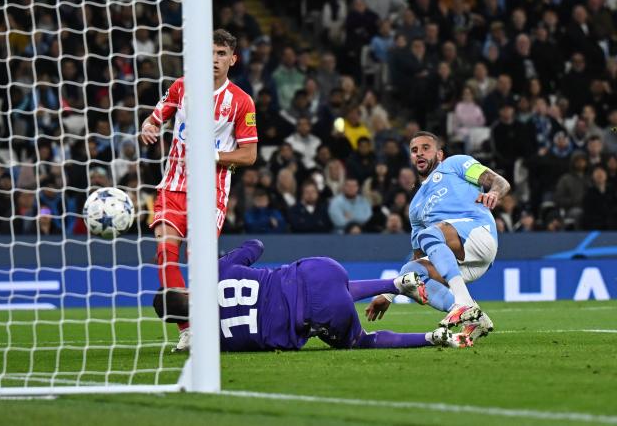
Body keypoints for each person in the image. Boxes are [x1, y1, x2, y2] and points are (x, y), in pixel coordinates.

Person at [140, 29, 258, 351]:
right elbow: (153, 120)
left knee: (198, 262)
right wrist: (148, 128)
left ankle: (208, 319)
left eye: (221, 54)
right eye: (209, 53)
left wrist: (214, 155)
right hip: (173, 185)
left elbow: (249, 155)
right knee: (165, 253)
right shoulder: (182, 86)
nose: (214, 60)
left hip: (211, 192)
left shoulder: (242, 102)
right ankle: (188, 328)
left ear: (232, 59)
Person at [153, 239, 472, 352]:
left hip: (316, 313)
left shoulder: (215, 343)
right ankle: (393, 284)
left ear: (181, 321)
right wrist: (223, 259)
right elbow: (256, 247)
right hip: (317, 269)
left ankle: (433, 338)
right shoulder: (216, 271)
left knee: (363, 341)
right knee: (329, 290)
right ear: (183, 288)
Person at [366, 131, 511, 340]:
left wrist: (494, 193)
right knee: (412, 273)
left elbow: (498, 181)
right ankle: (474, 317)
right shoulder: (415, 206)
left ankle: (462, 303)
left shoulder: (455, 164)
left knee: (431, 233)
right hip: (463, 261)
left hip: (479, 234)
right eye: (414, 150)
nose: (419, 154)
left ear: (440, 154)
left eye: (426, 148)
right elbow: (418, 257)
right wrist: (389, 293)